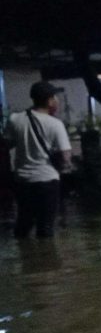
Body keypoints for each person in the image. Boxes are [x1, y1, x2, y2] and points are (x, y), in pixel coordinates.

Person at [3, 81, 72, 238]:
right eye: (55, 97)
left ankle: (25, 257)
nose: (57, 100)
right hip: (47, 180)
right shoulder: (55, 124)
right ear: (49, 101)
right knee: (46, 226)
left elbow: (6, 144)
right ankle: (45, 259)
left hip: (22, 180)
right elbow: (65, 155)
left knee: (24, 222)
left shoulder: (15, 119)